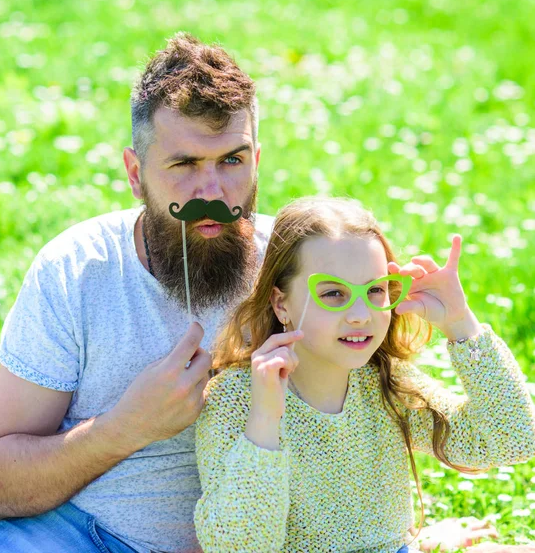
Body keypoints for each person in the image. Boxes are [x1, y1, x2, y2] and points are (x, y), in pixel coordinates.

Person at [0, 33, 272, 553]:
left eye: (232, 161)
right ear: (134, 173)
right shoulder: (78, 269)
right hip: (69, 529)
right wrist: (126, 426)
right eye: (184, 165)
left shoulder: (299, 271)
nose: (211, 193)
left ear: (256, 159)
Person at [194, 196, 535, 553]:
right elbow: (238, 547)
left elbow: (510, 439)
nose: (360, 314)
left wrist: (459, 322)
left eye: (374, 290)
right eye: (333, 294)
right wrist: (264, 420)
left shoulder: (384, 382)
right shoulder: (234, 399)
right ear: (281, 303)